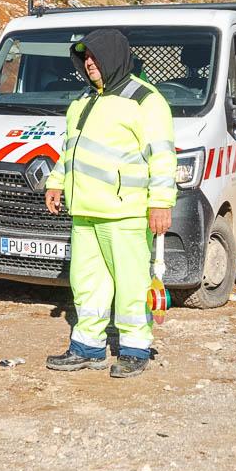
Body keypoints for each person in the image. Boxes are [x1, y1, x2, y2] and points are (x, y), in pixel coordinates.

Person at [43, 28, 177, 378]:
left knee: (132, 283)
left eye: (95, 56)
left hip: (125, 214)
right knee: (87, 283)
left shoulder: (146, 101)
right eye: (85, 57)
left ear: (114, 57)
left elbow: (162, 158)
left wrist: (161, 203)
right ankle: (87, 347)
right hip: (85, 211)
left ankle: (135, 349)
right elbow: (71, 151)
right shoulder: (83, 101)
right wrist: (56, 183)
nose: (89, 63)